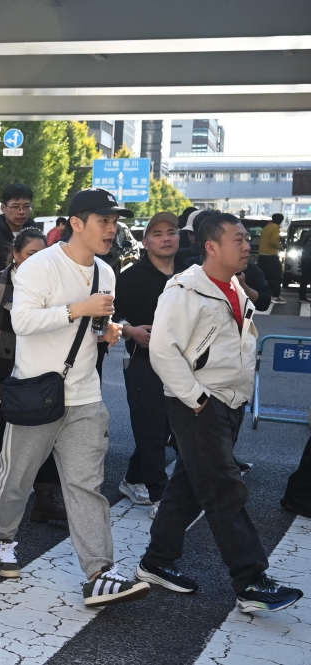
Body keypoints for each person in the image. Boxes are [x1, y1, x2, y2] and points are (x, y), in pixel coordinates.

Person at [0, 187, 152, 608]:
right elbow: (21, 321)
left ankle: (100, 572)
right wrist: (78, 309)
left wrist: (107, 330)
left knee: (85, 485)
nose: (112, 230)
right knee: (17, 478)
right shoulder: (40, 265)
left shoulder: (106, 272)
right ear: (77, 223)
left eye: (115, 222)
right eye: (104, 221)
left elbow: (94, 327)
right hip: (36, 393)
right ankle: (1, 539)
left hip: (85, 396)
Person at [141, 212, 304, 613]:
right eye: (238, 239)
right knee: (223, 488)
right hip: (200, 403)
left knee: (190, 485)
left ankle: (157, 560)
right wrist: (197, 399)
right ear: (211, 246)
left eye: (247, 239)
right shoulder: (183, 290)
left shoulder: (234, 286)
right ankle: (251, 581)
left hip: (229, 401)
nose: (248, 245)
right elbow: (163, 350)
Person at [0, 227, 66, 519]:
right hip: (0, 367)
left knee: (44, 429)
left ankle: (45, 494)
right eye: (30, 255)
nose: (37, 261)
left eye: (42, 255)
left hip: (39, 370)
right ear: (15, 254)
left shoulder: (53, 285)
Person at [113, 212, 179, 508]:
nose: (166, 238)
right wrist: (130, 331)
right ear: (145, 242)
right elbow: (110, 317)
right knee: (150, 427)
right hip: (144, 361)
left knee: (168, 427)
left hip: (185, 363)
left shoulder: (191, 273)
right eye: (158, 233)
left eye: (171, 232)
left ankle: (132, 478)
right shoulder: (129, 277)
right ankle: (159, 496)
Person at [259, 213, 285, 304]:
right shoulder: (275, 228)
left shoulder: (266, 228)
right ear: (281, 220)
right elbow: (273, 241)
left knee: (266, 277)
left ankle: (269, 295)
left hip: (262, 256)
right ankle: (275, 296)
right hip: (271, 256)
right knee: (276, 277)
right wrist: (281, 247)